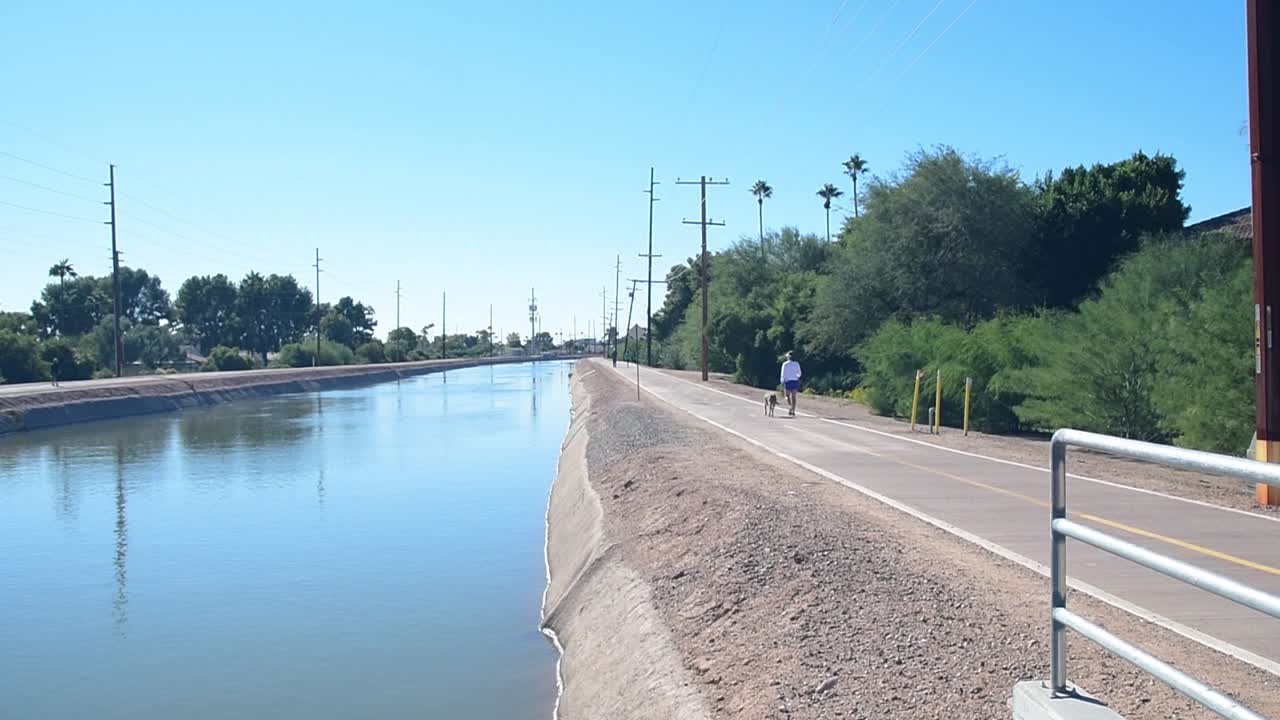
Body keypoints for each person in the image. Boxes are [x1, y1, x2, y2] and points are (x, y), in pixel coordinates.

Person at [780, 351, 802, 417]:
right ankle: (793, 410)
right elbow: (799, 373)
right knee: (794, 397)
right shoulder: (796, 364)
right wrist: (796, 377)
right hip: (795, 381)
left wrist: (782, 381)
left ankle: (790, 407)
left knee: (787, 396)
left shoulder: (785, 364)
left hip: (788, 381)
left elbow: (783, 374)